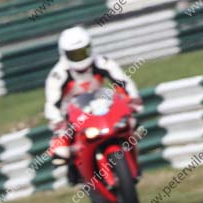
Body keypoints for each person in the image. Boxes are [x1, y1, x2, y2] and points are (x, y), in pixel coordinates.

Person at [45, 26, 142, 184]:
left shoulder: (102, 62)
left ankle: (133, 164)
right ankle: (75, 170)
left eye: (83, 51)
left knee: (134, 125)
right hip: (71, 117)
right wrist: (58, 123)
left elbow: (123, 81)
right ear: (65, 54)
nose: (80, 57)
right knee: (60, 151)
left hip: (101, 108)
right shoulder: (57, 74)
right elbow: (51, 104)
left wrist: (132, 99)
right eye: (74, 54)